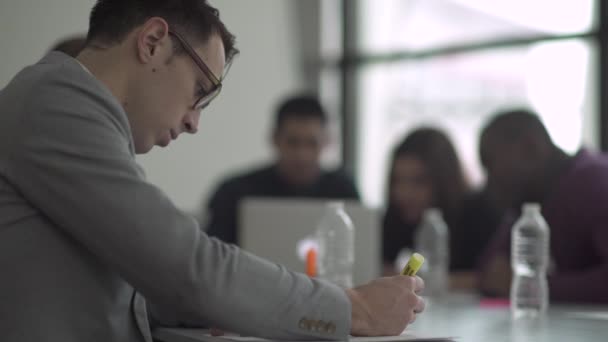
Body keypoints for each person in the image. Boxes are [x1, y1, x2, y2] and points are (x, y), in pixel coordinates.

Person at [0, 1, 425, 341]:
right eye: (200, 92)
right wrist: (355, 309)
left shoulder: (71, 113)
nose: (193, 122)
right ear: (152, 42)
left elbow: (111, 286)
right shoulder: (55, 103)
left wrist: (225, 302)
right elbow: (187, 265)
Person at [478, 109, 608, 303]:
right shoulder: (533, 198)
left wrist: (532, 287)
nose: (489, 181)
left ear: (530, 147)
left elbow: (503, 281)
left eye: (491, 163)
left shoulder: (595, 183)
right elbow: (491, 271)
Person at [205, 95, 359, 245]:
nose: (302, 155)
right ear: (274, 138)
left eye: (312, 143)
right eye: (293, 142)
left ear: (327, 141)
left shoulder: (344, 191)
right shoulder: (234, 192)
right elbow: (213, 256)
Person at [382, 127, 502, 289]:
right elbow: (383, 269)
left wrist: (424, 281)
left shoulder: (478, 213)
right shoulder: (400, 214)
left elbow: (491, 279)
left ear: (444, 180)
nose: (405, 193)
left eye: (419, 181)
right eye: (398, 181)